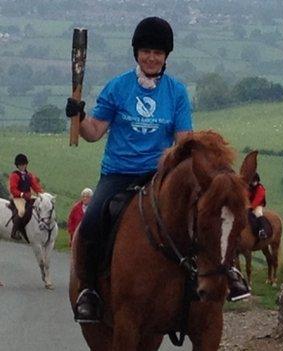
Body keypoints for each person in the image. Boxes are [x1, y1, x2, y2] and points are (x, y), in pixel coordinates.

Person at [65, 17, 248, 323]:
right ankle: (88, 290)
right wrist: (79, 115)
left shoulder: (176, 92)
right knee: (93, 219)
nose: (152, 57)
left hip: (160, 175)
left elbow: (182, 141)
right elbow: (94, 132)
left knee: (209, 215)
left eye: (158, 52)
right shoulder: (118, 87)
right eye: (146, 51)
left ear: (166, 57)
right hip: (119, 174)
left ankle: (225, 270)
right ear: (137, 52)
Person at [8, 154, 44, 240]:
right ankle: (14, 232)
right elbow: (13, 189)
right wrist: (21, 194)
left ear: (26, 164)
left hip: (27, 197)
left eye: (24, 164)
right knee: (21, 211)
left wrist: (42, 195)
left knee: (41, 206)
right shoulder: (14, 175)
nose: (22, 166)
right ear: (17, 165)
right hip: (18, 198)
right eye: (20, 165)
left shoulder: (29, 175)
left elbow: (35, 186)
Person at [248, 172, 267, 239]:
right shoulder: (249, 188)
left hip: (258, 205)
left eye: (254, 181)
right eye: (252, 181)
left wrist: (251, 207)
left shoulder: (260, 188)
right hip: (248, 205)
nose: (253, 182)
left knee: (258, 213)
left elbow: (258, 199)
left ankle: (262, 230)